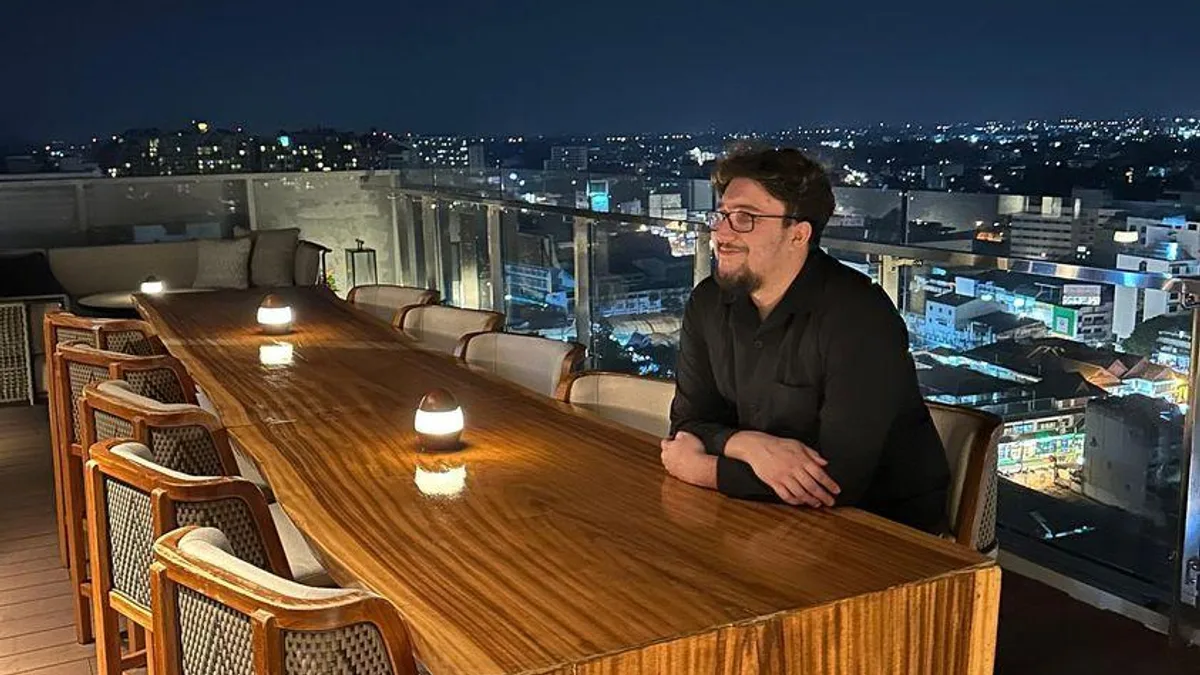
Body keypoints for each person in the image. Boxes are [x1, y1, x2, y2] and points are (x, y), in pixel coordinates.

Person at [660, 147, 949, 533]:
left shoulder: (858, 315)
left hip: (882, 531)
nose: (722, 234)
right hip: (763, 518)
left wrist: (704, 469)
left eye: (745, 218)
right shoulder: (709, 302)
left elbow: (839, 480)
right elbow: (687, 424)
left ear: (798, 234)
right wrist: (747, 445)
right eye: (721, 215)